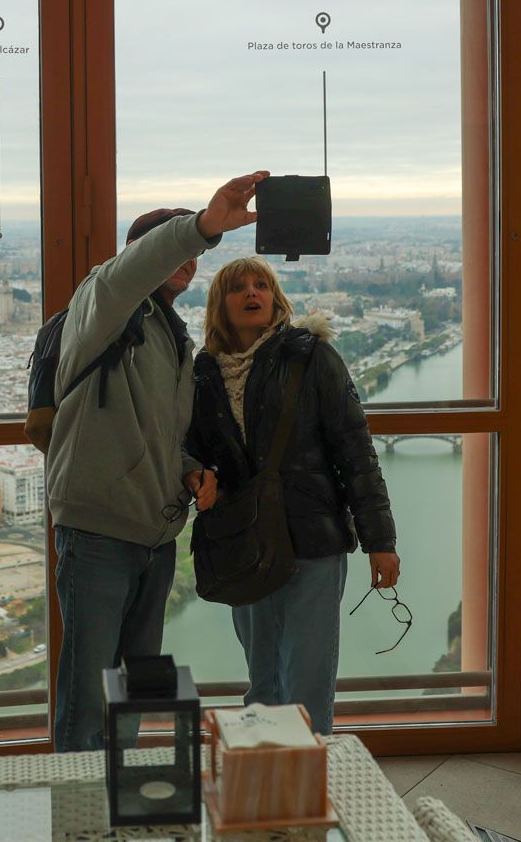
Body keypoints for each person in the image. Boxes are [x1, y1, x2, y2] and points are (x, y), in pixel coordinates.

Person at [47, 171, 267, 752]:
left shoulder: (171, 336)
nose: (190, 262)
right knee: (88, 690)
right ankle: (76, 808)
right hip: (98, 527)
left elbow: (162, 433)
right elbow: (134, 269)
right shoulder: (103, 303)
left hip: (154, 532)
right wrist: (200, 228)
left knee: (135, 686)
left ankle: (120, 793)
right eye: (174, 248)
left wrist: (188, 468)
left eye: (192, 255)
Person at [185, 255, 398, 735]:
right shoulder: (205, 373)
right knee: (262, 679)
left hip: (312, 537)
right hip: (245, 542)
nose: (251, 293)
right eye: (238, 287)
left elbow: (354, 448)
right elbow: (195, 449)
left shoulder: (310, 355)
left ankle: (309, 780)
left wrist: (379, 540)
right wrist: (199, 476)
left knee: (307, 677)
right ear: (221, 304)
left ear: (276, 298)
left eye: (261, 284)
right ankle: (268, 779)